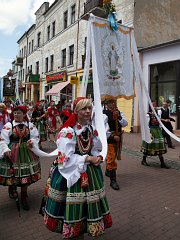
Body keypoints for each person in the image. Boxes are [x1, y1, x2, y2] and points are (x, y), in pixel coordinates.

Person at [41, 97, 112, 238]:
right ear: (76, 111)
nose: (87, 111)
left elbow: (95, 147)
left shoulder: (91, 128)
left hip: (90, 172)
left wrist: (97, 156)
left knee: (88, 204)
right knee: (73, 204)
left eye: (89, 108)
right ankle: (74, 232)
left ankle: (83, 229)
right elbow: (64, 159)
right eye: (83, 109)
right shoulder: (68, 131)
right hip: (71, 173)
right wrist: (87, 158)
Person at [0, 105, 41, 210]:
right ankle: (12, 188)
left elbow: (36, 137)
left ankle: (24, 195)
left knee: (25, 174)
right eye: (15, 113)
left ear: (24, 114)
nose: (16, 115)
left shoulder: (29, 125)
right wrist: (5, 150)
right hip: (12, 152)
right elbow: (3, 140)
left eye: (19, 113)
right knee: (12, 172)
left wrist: (32, 142)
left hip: (26, 152)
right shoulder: (9, 125)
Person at [103, 98, 128, 190]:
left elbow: (125, 124)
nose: (112, 104)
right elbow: (102, 127)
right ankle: (113, 181)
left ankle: (107, 170)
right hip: (109, 137)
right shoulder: (104, 113)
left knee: (112, 156)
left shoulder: (119, 112)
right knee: (111, 157)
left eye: (113, 102)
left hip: (118, 138)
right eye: (110, 102)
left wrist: (119, 117)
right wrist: (111, 136)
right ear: (107, 104)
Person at [141, 104, 169, 168]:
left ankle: (162, 163)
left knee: (159, 145)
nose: (155, 107)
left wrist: (161, 128)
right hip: (151, 131)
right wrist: (148, 133)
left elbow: (159, 122)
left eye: (155, 106)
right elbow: (146, 124)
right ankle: (143, 160)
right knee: (149, 145)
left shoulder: (157, 114)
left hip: (158, 131)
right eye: (153, 106)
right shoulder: (148, 115)